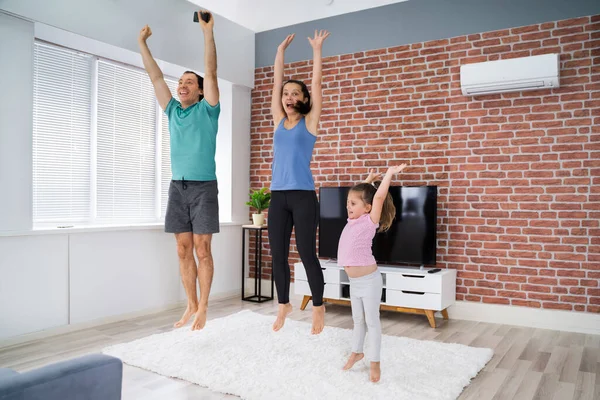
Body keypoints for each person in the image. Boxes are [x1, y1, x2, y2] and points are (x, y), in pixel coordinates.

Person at [137, 11, 220, 331]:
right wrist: (142, 43)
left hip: (203, 187)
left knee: (202, 248)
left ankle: (205, 307)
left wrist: (207, 33)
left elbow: (211, 72)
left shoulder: (208, 110)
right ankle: (191, 305)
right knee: (183, 249)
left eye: (189, 82)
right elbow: (155, 77)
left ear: (200, 90)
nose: (182, 85)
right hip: (177, 187)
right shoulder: (172, 110)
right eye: (181, 82)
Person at [268, 30, 330, 335]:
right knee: (277, 254)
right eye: (286, 93)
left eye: (295, 93)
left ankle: (318, 306)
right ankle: (284, 305)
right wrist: (280, 52)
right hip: (278, 196)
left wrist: (317, 49)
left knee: (306, 253)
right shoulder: (278, 119)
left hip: (304, 196)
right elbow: (276, 81)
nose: (289, 97)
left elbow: (317, 84)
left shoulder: (310, 121)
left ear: (303, 99)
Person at [339, 164, 407, 383]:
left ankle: (375, 362)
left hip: (369, 282)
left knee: (372, 321)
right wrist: (367, 180)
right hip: (355, 282)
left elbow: (377, 199)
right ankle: (356, 352)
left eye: (352, 203)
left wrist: (388, 175)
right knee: (358, 320)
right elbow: (366, 196)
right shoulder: (353, 220)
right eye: (348, 202)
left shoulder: (369, 222)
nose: (348, 206)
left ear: (366, 208)